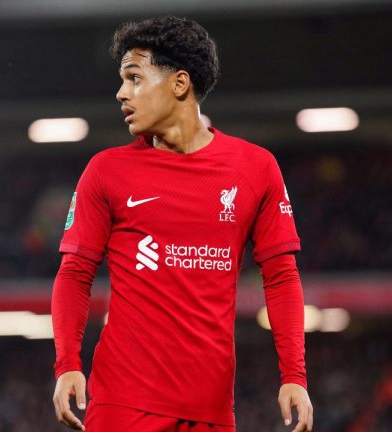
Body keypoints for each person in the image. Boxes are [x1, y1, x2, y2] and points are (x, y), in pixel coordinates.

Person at [51, 15, 313, 432]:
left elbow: (281, 277)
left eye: (134, 78)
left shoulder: (256, 168)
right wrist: (67, 364)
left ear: (179, 83)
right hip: (122, 405)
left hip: (210, 411)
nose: (121, 93)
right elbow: (75, 273)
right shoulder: (105, 172)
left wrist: (294, 376)